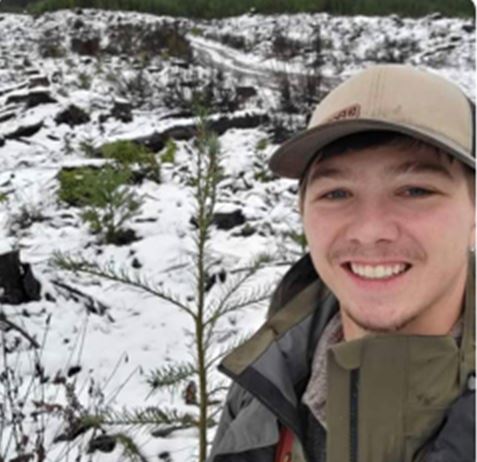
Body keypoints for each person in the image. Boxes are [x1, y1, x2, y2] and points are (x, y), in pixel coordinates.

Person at [208, 64, 475, 462]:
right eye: (336, 193)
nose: (369, 230)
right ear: (302, 212)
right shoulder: (264, 380)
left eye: (416, 190)